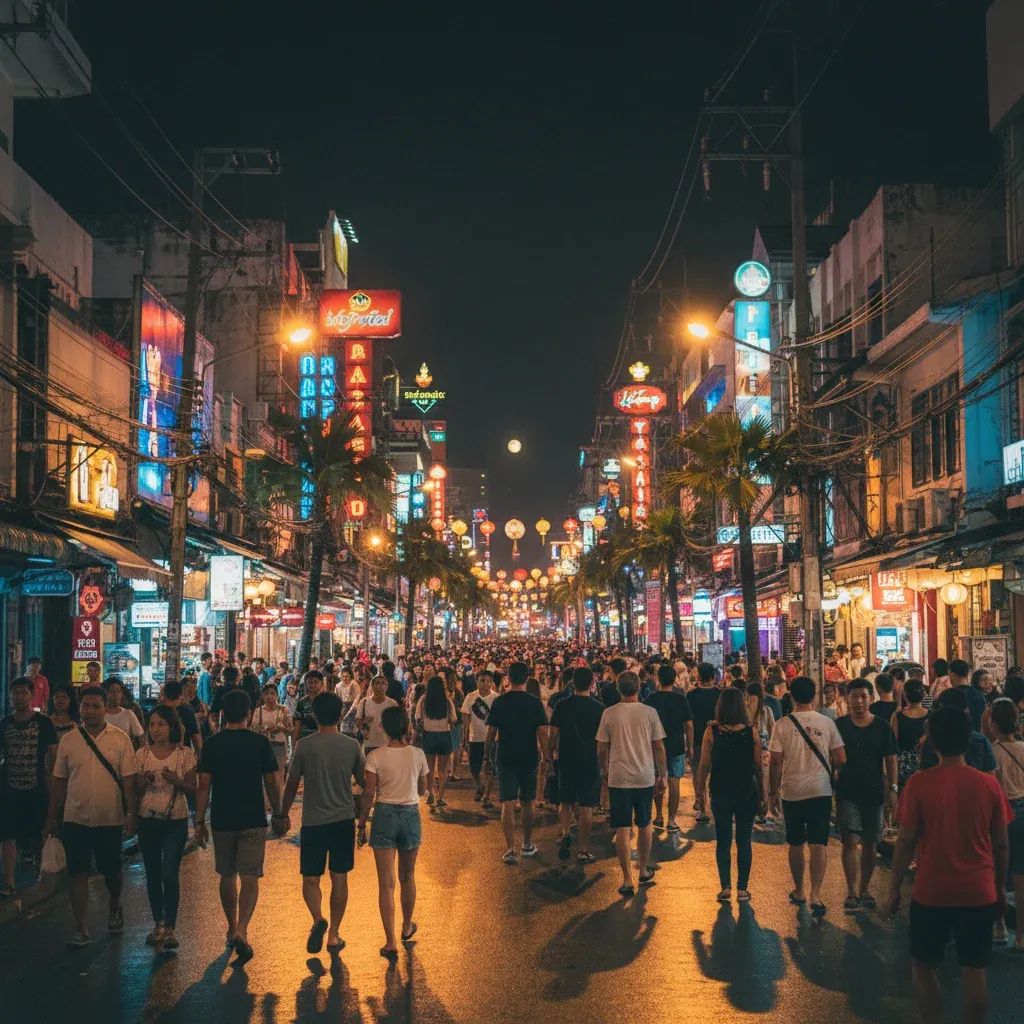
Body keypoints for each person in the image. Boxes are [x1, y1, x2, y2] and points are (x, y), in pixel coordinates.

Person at [883, 706, 1011, 1024]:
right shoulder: (988, 785)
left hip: (932, 891)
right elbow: (1001, 845)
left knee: (924, 966)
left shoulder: (919, 784)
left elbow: (905, 841)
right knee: (975, 969)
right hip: (978, 891)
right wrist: (997, 888)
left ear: (933, 741)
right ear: (967, 739)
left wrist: (893, 889)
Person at [195, 689, 287, 964]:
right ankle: (242, 929)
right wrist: (279, 813)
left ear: (223, 713)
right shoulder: (259, 743)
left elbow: (203, 784)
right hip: (252, 817)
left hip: (222, 817)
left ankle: (231, 925)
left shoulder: (212, 744)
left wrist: (199, 820)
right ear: (249, 713)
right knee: (249, 876)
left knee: (227, 875)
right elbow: (271, 781)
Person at [45, 686, 138, 947]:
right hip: (75, 818)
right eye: (86, 706)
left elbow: (129, 780)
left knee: (111, 871)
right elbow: (59, 782)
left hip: (109, 818)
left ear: (105, 708)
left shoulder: (120, 739)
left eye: (96, 706)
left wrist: (131, 813)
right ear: (80, 708)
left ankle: (115, 904)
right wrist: (51, 817)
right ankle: (81, 927)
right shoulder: (69, 741)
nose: (90, 711)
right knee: (77, 873)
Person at [281, 692, 364, 955]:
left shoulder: (305, 746)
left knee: (310, 879)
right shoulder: (351, 746)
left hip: (313, 821)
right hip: (342, 820)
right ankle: (334, 934)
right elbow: (363, 782)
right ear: (340, 715)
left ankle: (318, 918)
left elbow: (292, 784)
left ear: (314, 715)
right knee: (339, 878)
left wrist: (281, 813)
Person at [768, 675, 846, 917]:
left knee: (795, 842)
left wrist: (771, 792)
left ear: (791, 696)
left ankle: (800, 890)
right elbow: (841, 758)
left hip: (791, 791)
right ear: (814, 697)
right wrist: (832, 774)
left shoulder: (782, 725)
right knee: (818, 843)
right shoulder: (826, 723)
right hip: (820, 791)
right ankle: (816, 894)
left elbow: (776, 763)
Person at [357, 706, 429, 959]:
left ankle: (390, 942)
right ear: (406, 726)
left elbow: (368, 793)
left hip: (384, 814)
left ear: (384, 728)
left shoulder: (375, 756)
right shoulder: (418, 754)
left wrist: (362, 820)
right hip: (410, 813)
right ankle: (407, 925)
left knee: (386, 883)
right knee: (407, 876)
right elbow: (422, 789)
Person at [597, 670, 668, 896]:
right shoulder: (650, 713)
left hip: (619, 777)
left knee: (622, 828)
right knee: (645, 824)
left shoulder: (609, 713)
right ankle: (644, 870)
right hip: (644, 776)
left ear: (619, 689)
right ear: (638, 688)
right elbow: (658, 746)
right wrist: (662, 773)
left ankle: (627, 878)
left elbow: (601, 747)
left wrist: (605, 769)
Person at [135, 706, 196, 951]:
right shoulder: (141, 754)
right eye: (152, 725)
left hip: (175, 820)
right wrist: (144, 780)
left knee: (169, 872)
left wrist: (177, 781)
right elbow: (133, 789)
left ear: (171, 726)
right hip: (147, 818)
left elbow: (194, 788)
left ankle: (170, 926)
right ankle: (158, 922)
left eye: (161, 724)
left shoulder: (184, 754)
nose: (156, 729)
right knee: (152, 872)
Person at [694, 687, 763, 902]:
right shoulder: (751, 732)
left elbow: (704, 765)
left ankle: (725, 887)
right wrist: (765, 796)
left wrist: (699, 793)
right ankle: (742, 889)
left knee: (723, 840)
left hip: (720, 790)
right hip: (746, 791)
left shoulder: (712, 732)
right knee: (744, 840)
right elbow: (758, 766)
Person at [835, 678, 898, 912]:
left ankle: (865, 889)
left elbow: (891, 759)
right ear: (847, 699)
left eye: (863, 696)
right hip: (847, 791)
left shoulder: (882, 726)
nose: (859, 701)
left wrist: (893, 789)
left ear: (871, 698)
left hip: (874, 791)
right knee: (850, 840)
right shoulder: (839, 725)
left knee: (871, 843)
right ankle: (852, 892)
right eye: (854, 696)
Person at [484, 661, 548, 864]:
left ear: (508, 679)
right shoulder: (534, 702)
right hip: (528, 755)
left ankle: (510, 848)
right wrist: (547, 757)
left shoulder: (500, 702)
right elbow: (542, 732)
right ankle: (527, 844)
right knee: (528, 802)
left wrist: (486, 756)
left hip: (505, 755)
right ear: (527, 678)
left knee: (508, 802)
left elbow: (491, 732)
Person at [0, 677, 58, 895]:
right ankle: (9, 880)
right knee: (7, 835)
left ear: (31, 694)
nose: (19, 697)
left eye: (23, 693)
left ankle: (41, 875)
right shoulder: (5, 724)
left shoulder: (43, 723)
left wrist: (51, 779)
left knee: (38, 834)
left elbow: (53, 752)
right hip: (10, 789)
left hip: (37, 788)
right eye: (15, 693)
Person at [547, 666, 604, 864]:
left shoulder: (562, 705)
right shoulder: (599, 708)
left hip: (566, 757)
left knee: (565, 800)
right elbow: (603, 740)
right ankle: (583, 849)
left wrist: (548, 757)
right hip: (589, 759)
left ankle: (565, 832)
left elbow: (553, 734)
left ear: (572, 683)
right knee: (587, 804)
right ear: (591, 684)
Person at [989, 698, 1024, 948]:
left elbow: (995, 789)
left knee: (1000, 871)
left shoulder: (994, 751)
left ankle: (1000, 927)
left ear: (993, 723)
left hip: (1006, 814)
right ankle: (1021, 935)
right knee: (1021, 874)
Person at [645, 664, 693, 832]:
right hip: (676, 746)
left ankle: (658, 815)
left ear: (658, 679)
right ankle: (672, 820)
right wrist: (690, 747)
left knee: (657, 779)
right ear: (674, 680)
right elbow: (688, 725)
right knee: (674, 782)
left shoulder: (650, 700)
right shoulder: (680, 699)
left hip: (655, 747)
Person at [920, 688, 996, 774]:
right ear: (966, 711)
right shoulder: (980, 741)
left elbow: (925, 773)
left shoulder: (930, 741)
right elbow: (990, 774)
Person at [415, 676, 458, 809]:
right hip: (444, 735)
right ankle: (440, 797)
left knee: (430, 768)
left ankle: (431, 794)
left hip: (429, 735)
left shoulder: (423, 700)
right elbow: (454, 719)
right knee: (443, 769)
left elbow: (417, 717)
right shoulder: (447, 700)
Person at [688, 662, 722, 823]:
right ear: (713, 676)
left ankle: (701, 806)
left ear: (699, 676)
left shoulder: (691, 695)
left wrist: (687, 744)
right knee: (716, 772)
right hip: (719, 738)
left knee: (698, 773)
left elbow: (688, 722)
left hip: (697, 739)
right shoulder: (720, 694)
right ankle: (715, 803)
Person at [460, 670, 498, 807]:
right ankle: (479, 786)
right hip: (474, 738)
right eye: (482, 680)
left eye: (489, 681)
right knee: (474, 768)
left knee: (490, 768)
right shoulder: (470, 697)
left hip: (493, 739)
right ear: (477, 681)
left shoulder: (497, 698)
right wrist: (464, 738)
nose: (486, 684)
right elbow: (465, 720)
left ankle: (487, 796)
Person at [251, 682, 292, 797]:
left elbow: (290, 730)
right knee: (264, 776)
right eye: (266, 694)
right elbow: (253, 729)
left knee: (278, 776)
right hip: (263, 747)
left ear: (277, 695)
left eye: (272, 693)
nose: (269, 696)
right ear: (263, 696)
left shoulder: (284, 710)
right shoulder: (258, 711)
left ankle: (279, 803)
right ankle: (266, 804)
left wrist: (281, 728)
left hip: (279, 746)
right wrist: (262, 730)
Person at [154, 681, 202, 757]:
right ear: (180, 695)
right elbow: (195, 737)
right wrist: (199, 757)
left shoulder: (155, 711)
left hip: (159, 757)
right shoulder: (187, 712)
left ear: (165, 694)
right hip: (181, 758)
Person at [356, 675, 399, 756]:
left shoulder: (392, 703)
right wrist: (364, 722)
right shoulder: (364, 702)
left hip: (387, 743)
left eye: (383, 684)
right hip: (370, 743)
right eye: (377, 683)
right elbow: (357, 721)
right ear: (372, 686)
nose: (380, 686)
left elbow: (397, 723)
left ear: (386, 686)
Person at [103, 678, 145, 748]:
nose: (115, 695)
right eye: (112, 691)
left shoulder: (128, 714)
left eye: (118, 691)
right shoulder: (100, 715)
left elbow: (140, 737)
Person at [949, 659, 987, 733]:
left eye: (949, 675)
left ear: (953, 675)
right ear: (968, 674)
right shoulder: (979, 694)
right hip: (977, 736)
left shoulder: (950, 695)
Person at [293, 670, 326, 744]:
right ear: (306, 684)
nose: (313, 685)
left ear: (322, 683)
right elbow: (297, 728)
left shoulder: (328, 701)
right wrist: (295, 747)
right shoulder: (301, 703)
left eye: (316, 682)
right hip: (306, 740)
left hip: (324, 740)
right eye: (310, 682)